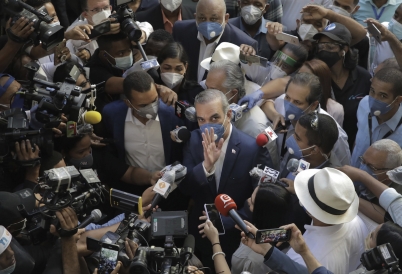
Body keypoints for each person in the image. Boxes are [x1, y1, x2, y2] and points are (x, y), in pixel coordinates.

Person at [180, 89, 272, 268]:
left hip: (236, 240)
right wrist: (205, 167)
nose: (207, 125)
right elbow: (185, 188)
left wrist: (229, 221)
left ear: (228, 115)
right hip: (200, 235)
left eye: (214, 118)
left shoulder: (252, 149)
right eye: (201, 120)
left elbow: (262, 198)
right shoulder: (193, 141)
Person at [102, 71, 189, 210]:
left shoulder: (173, 114)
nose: (152, 108)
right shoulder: (112, 115)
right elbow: (109, 155)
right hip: (131, 189)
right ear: (128, 103)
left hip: (171, 191)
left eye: (155, 100)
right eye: (143, 105)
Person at [205, 60, 279, 169]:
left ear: (233, 93)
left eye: (214, 91)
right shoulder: (216, 111)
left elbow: (268, 170)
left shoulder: (257, 127)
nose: (207, 96)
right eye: (207, 88)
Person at [313, 22, 371, 148]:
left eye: (330, 46)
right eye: (321, 46)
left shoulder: (363, 77)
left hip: (355, 146)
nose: (323, 50)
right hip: (322, 146)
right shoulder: (317, 75)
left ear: (344, 50)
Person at [172, 0, 258, 82]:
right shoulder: (181, 31)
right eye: (202, 18)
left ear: (226, 18)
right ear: (195, 17)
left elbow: (250, 81)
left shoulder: (244, 44)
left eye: (214, 19)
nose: (207, 23)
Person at [230, 184, 291, 274]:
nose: (248, 201)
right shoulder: (284, 234)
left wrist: (215, 243)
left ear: (263, 214)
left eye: (253, 203)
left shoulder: (254, 262)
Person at [66, 0, 152, 62]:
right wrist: (100, 30)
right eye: (96, 10)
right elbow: (73, 39)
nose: (103, 12)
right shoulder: (78, 27)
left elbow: (147, 26)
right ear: (85, 14)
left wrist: (142, 34)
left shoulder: (115, 20)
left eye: (106, 7)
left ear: (110, 8)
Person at [351, 67, 402, 168]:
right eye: (372, 91)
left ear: (398, 100)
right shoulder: (364, 104)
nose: (374, 99)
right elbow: (357, 141)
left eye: (383, 96)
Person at [368, 6, 402, 75]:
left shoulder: (389, 36)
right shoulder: (384, 29)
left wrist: (392, 39)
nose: (396, 22)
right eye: (396, 15)